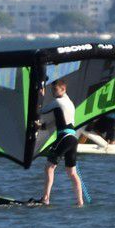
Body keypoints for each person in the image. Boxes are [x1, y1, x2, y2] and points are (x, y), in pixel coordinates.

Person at [39, 79, 84, 207]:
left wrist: (40, 96)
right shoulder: (70, 103)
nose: (53, 92)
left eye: (55, 89)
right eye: (52, 89)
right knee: (71, 172)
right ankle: (80, 202)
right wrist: (42, 127)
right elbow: (59, 121)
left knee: (49, 167)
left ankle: (46, 198)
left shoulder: (58, 102)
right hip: (73, 139)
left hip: (64, 137)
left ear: (63, 89)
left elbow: (41, 111)